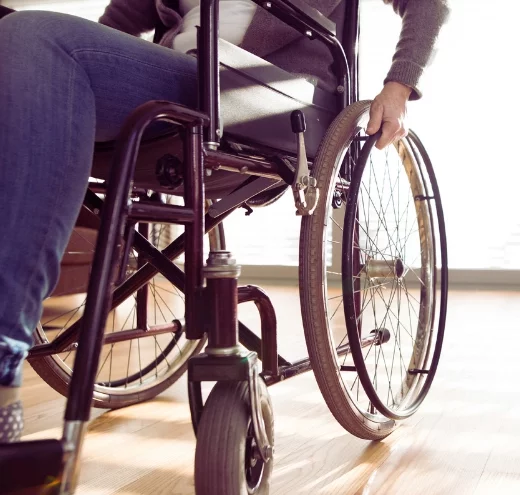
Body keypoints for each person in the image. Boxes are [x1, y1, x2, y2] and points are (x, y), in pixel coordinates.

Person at [0, 0, 449, 443]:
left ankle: (3, 357)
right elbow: (117, 22)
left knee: (33, 36)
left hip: (269, 87)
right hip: (176, 73)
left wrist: (399, 87)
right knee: (24, 46)